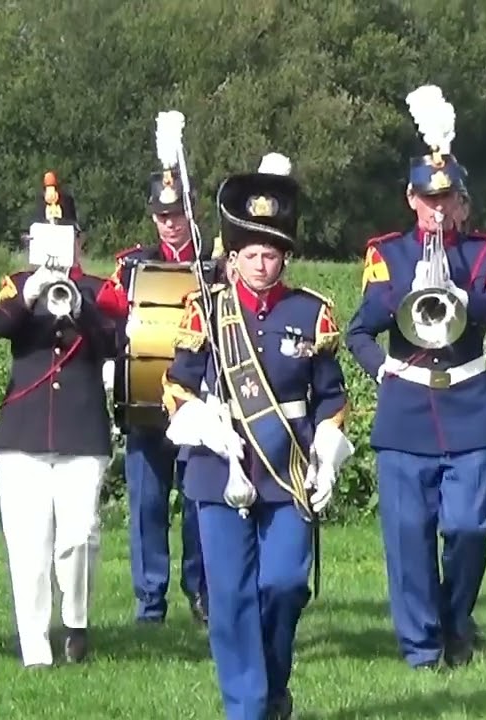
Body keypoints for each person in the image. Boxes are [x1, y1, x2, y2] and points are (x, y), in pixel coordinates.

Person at [345, 84, 486, 671]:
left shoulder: (485, 255)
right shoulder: (389, 256)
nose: (437, 209)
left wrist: (470, 302)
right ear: (411, 199)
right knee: (408, 540)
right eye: (428, 199)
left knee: (469, 529)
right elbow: (360, 331)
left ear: (462, 203)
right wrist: (382, 369)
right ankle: (422, 649)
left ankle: (456, 621)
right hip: (405, 414)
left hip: (468, 410)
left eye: (447, 198)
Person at [163, 153, 353, 719]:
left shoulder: (311, 312)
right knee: (230, 599)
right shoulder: (206, 310)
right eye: (250, 254)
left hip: (288, 469)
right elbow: (177, 385)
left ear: (284, 255)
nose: (261, 265)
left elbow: (332, 396)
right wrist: (203, 423)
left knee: (285, 584)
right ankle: (247, 707)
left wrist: (328, 451)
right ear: (233, 255)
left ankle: (272, 684)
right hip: (218, 469)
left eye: (271, 254)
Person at [0, 171, 117, 669]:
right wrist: (31, 293)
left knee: (78, 536)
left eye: (65, 237)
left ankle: (76, 618)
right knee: (28, 545)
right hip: (23, 431)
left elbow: (114, 342)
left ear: (79, 241)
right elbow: (0, 325)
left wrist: (80, 307)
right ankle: (35, 646)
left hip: (81, 430)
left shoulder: (100, 290)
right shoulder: (16, 285)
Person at [95, 158, 218, 625]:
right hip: (145, 400)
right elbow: (107, 315)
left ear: (192, 211)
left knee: (197, 501)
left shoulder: (213, 264)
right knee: (147, 504)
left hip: (196, 400)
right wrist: (116, 357)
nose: (170, 223)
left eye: (177, 213)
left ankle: (201, 591)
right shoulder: (132, 265)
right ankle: (150, 601)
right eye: (162, 215)